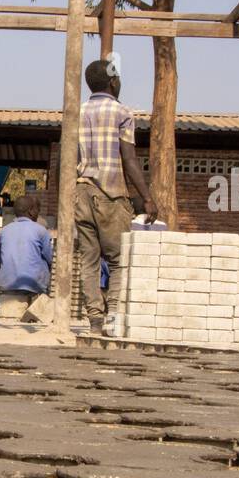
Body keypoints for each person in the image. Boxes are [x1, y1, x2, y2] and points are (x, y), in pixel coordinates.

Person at [75, 60, 159, 336]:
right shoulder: (122, 112)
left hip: (81, 194)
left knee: (88, 260)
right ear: (113, 82)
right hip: (110, 195)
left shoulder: (77, 111)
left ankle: (95, 321)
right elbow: (130, 160)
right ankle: (113, 317)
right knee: (118, 260)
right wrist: (147, 198)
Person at [0, 194, 54, 322]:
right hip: (33, 285)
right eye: (38, 209)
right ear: (31, 211)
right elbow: (50, 259)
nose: (38, 213)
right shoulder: (41, 231)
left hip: (6, 284)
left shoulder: (4, 231)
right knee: (46, 265)